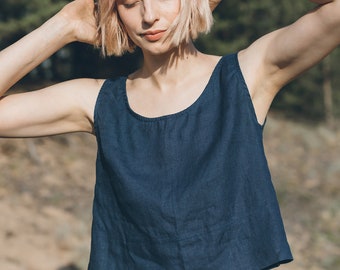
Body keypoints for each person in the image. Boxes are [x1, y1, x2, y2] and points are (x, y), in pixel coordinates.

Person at [0, 0, 339, 269]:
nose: (149, 16)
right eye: (130, 2)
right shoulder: (98, 101)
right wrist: (65, 24)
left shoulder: (245, 77)